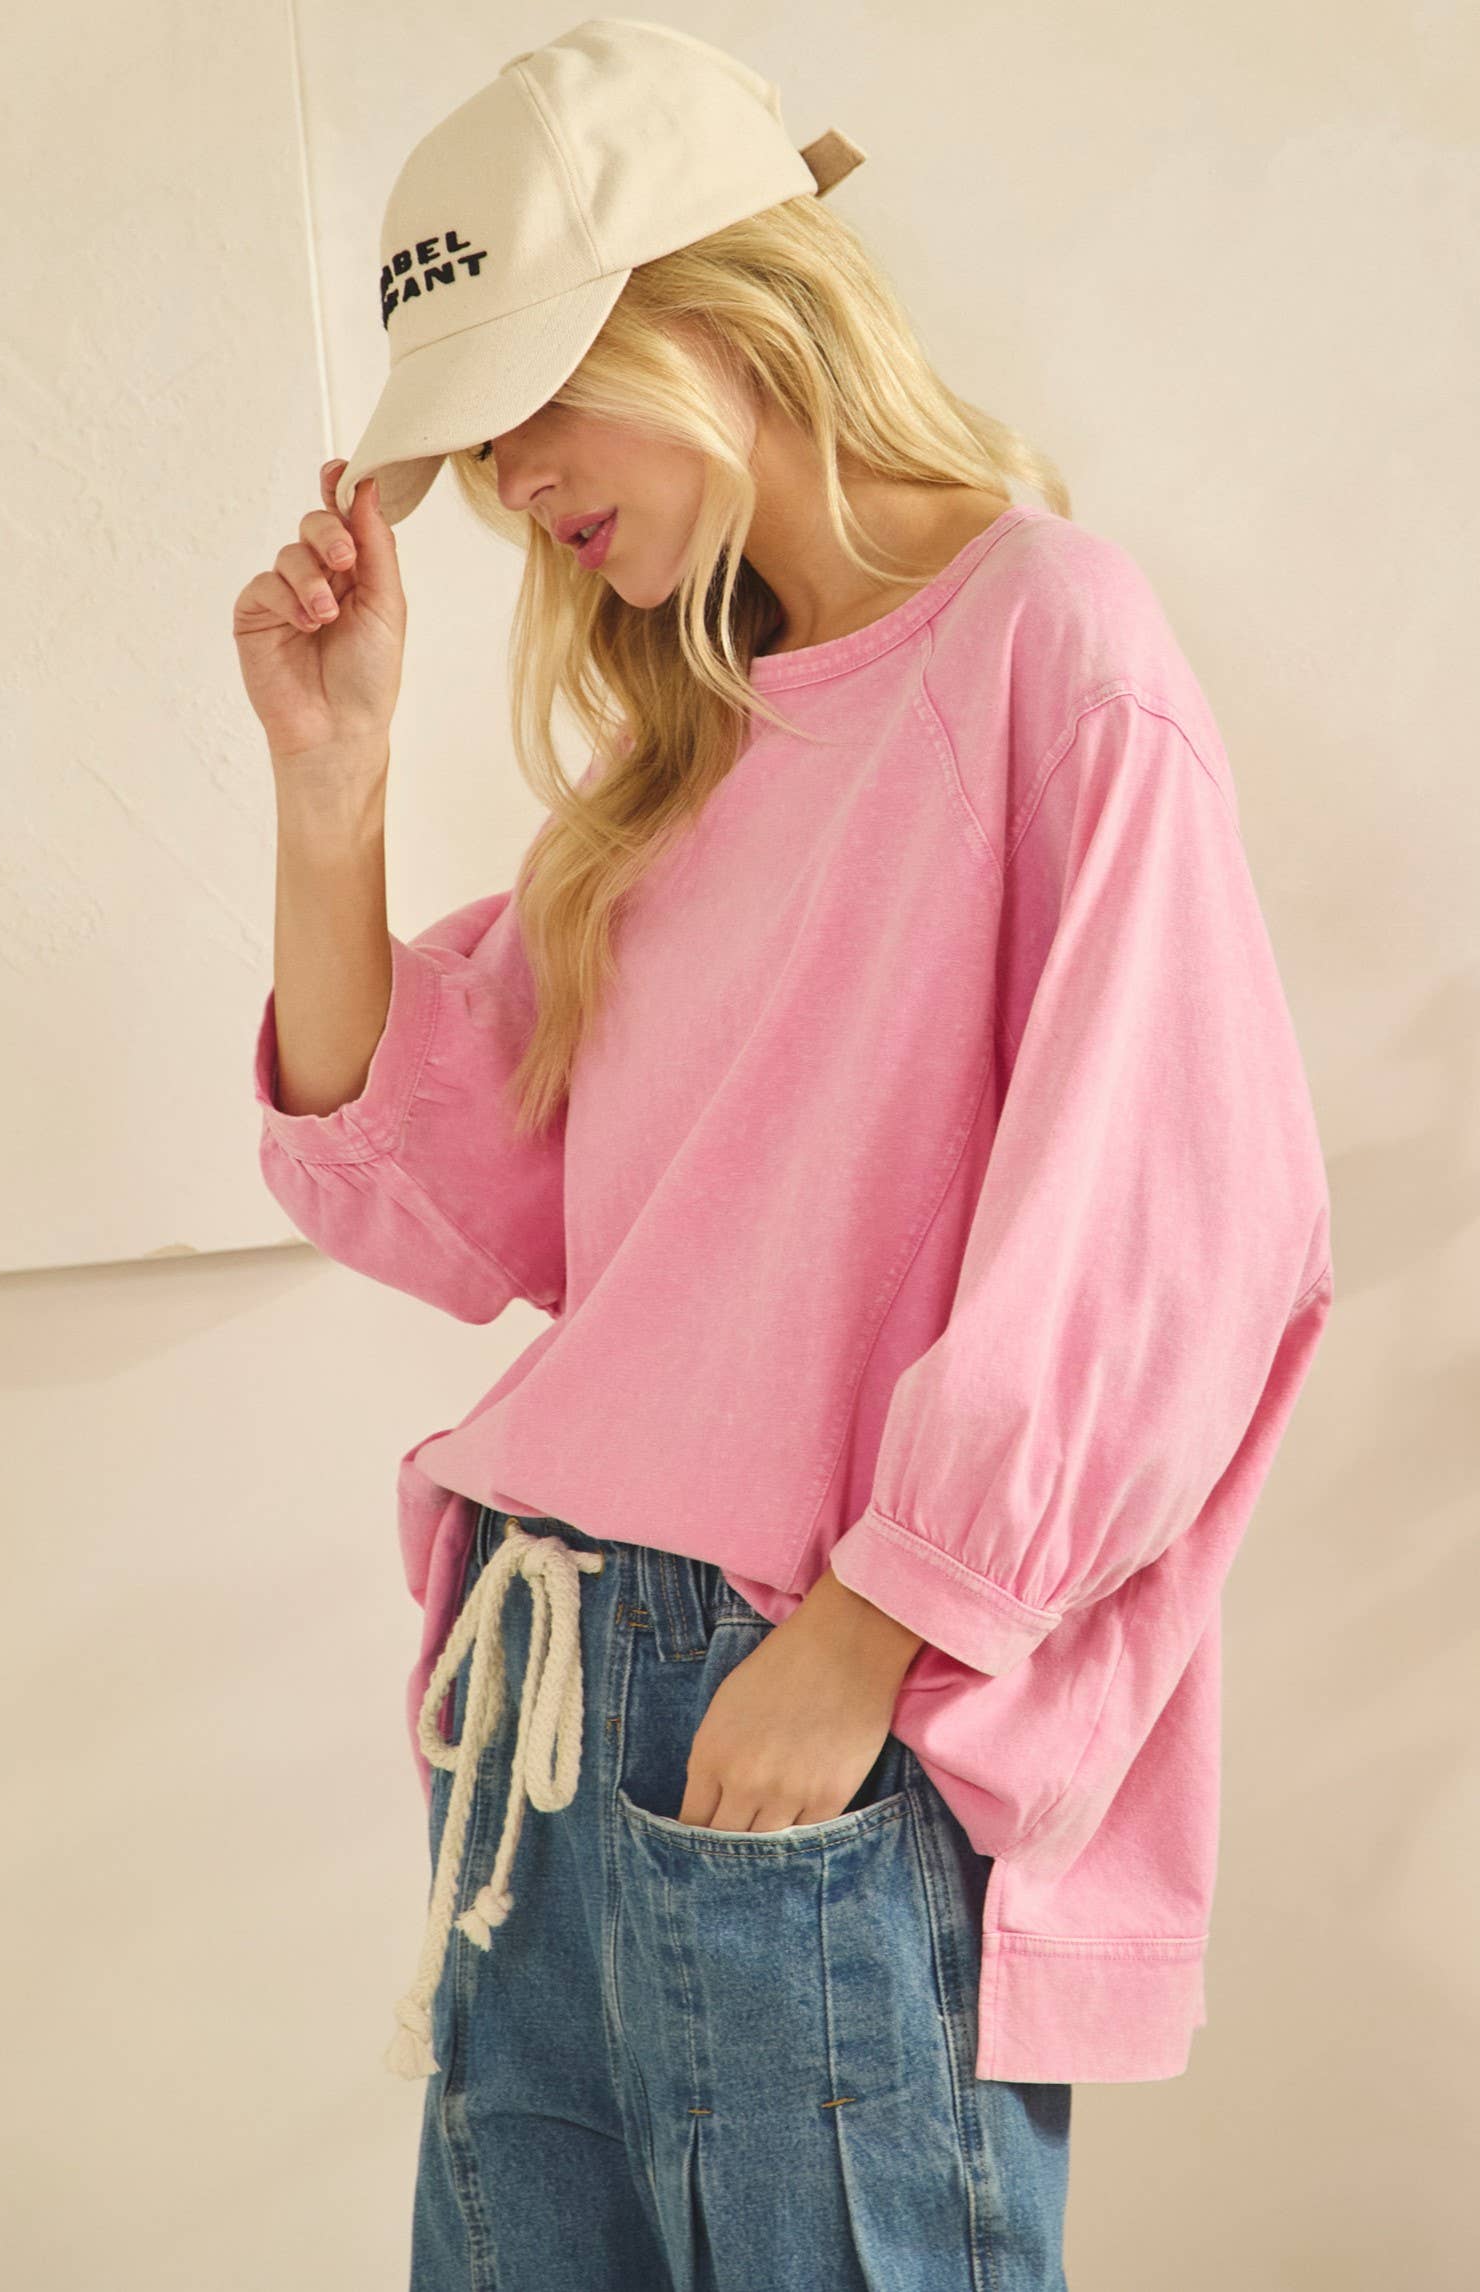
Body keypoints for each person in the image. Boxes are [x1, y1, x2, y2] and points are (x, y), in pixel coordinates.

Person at [230, 22, 1333, 2291]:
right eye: (478, 434)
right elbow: (431, 1180)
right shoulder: (686, 752)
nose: (512, 477)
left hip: (798, 1695)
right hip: (544, 1710)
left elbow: (1183, 1226)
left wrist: (868, 1631)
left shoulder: (1047, 642)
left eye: (537, 394)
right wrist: (330, 791)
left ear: (721, 306)